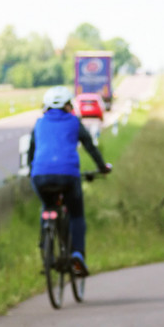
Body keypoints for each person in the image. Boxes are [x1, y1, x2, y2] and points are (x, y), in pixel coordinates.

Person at [27, 86, 111, 276]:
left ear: (46, 107)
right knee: (76, 214)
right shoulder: (74, 122)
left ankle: (46, 251)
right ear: (68, 106)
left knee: (47, 206)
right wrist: (102, 167)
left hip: (40, 175)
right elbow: (90, 146)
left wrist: (31, 171)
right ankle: (77, 254)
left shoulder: (39, 124)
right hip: (68, 175)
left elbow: (31, 152)